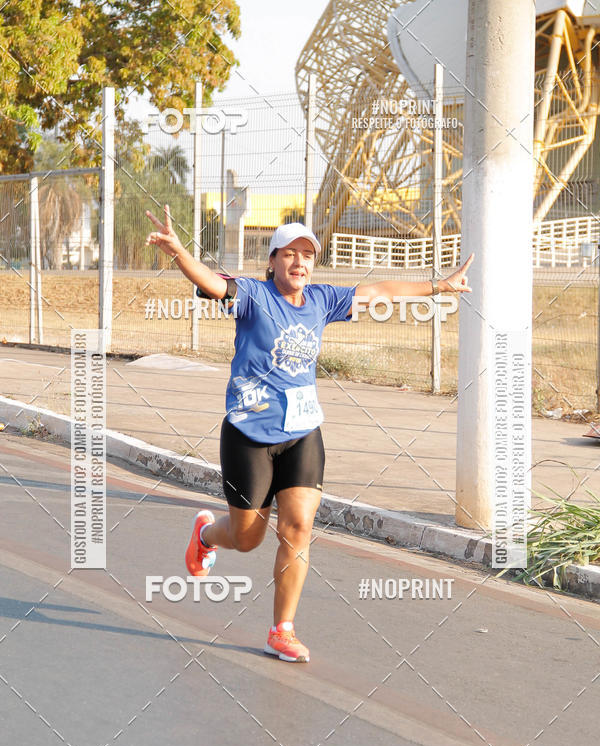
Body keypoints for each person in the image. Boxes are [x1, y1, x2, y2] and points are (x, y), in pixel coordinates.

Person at [145, 206, 473, 663]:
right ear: (273, 260)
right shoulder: (254, 297)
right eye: (290, 254)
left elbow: (380, 290)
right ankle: (205, 536)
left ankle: (282, 629)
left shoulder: (321, 300)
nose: (300, 262)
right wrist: (180, 252)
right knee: (247, 538)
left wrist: (441, 285)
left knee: (297, 528)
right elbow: (212, 283)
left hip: (302, 434)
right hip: (248, 434)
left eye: (307, 255)